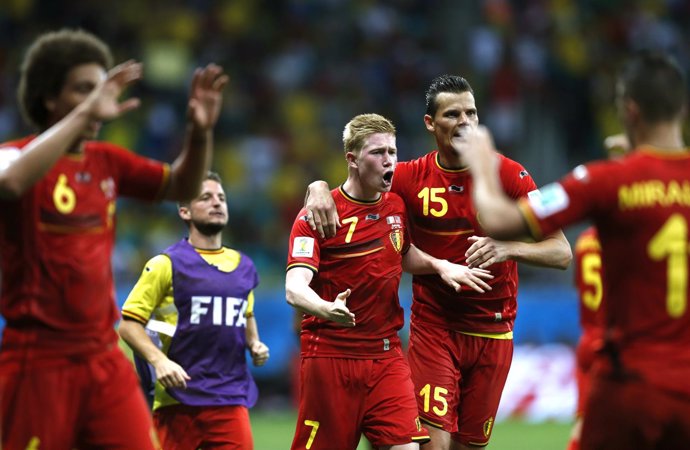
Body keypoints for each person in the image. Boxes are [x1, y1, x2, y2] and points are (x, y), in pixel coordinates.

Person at [305, 76, 572, 449]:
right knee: (434, 445)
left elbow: (561, 252)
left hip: (494, 332)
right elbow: (353, 185)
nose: (465, 122)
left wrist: (508, 248)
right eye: (453, 114)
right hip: (436, 328)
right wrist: (317, 187)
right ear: (431, 123)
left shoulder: (510, 175)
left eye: (471, 113)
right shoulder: (409, 177)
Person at [0, 28, 227, 450]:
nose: (101, 100)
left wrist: (199, 133)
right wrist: (86, 113)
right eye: (85, 89)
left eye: (101, 88)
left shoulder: (107, 162)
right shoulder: (12, 155)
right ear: (50, 98)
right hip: (38, 362)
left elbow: (181, 184)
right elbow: (10, 183)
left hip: (103, 357)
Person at [458, 51, 690, 450]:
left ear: (629, 112)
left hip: (629, 385)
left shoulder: (606, 182)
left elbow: (497, 218)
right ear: (681, 108)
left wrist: (481, 163)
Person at [286, 113, 495, 450]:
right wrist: (326, 308)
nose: (389, 161)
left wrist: (441, 266)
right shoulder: (320, 216)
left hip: (386, 356)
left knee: (407, 447)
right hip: (331, 356)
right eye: (378, 153)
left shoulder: (396, 205)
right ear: (352, 160)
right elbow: (294, 288)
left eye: (392, 152)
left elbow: (402, 250)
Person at [119, 171, 269, 450]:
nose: (217, 203)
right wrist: (159, 362)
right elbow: (128, 325)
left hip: (230, 398)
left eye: (221, 198)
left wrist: (254, 343)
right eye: (206, 197)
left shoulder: (244, 266)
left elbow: (246, 314)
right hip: (178, 399)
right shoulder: (166, 264)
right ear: (184, 210)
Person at [566, 134, 630, 450]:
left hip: (588, 342)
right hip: (620, 345)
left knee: (585, 428)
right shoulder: (631, 240)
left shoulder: (584, 241)